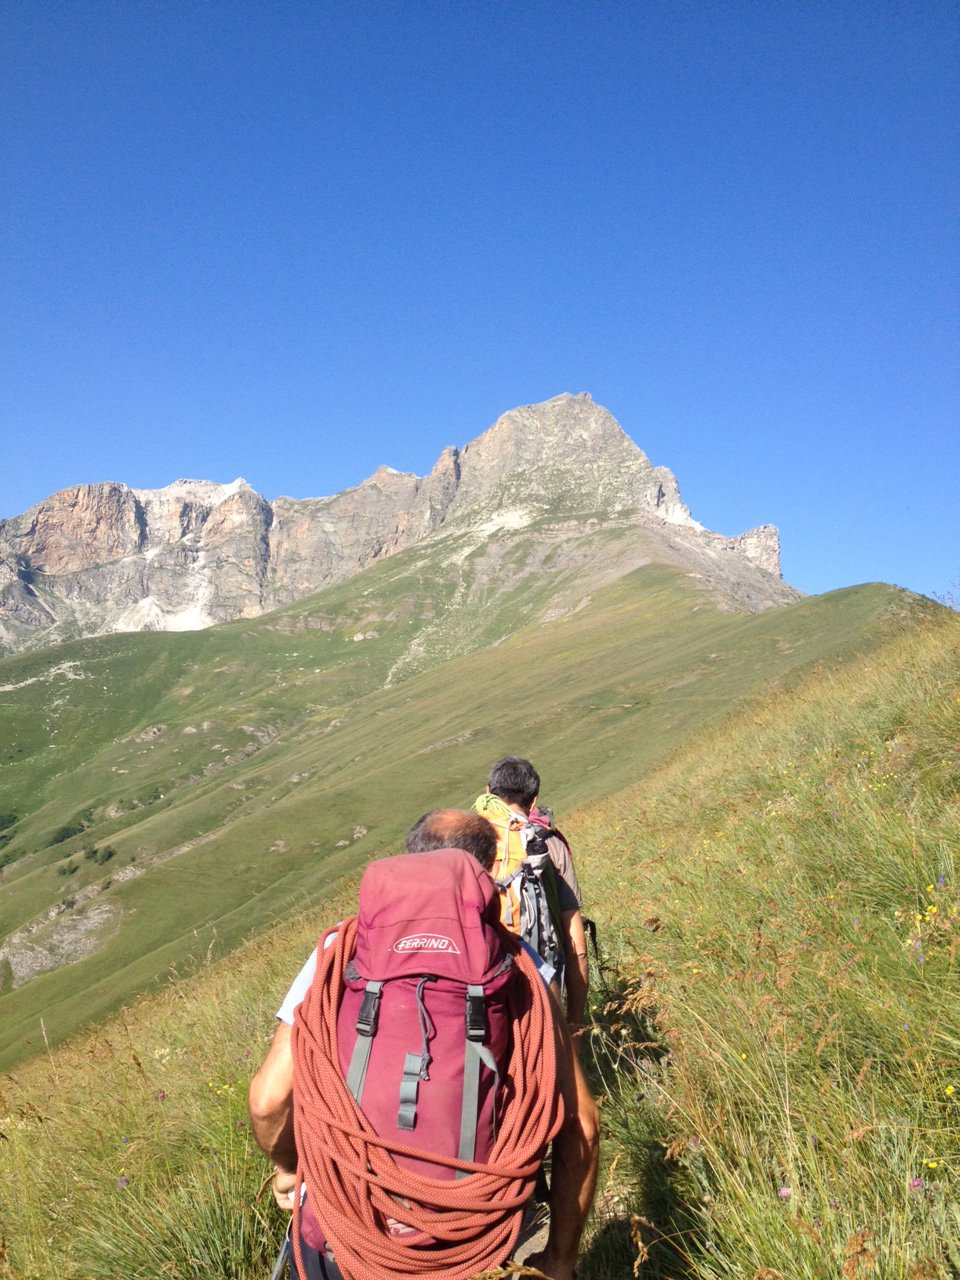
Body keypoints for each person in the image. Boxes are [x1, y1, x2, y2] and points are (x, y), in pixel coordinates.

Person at [248, 809, 599, 1280]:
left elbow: (268, 1101)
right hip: (463, 1251)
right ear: (488, 872)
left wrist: (290, 1168)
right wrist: (558, 1262)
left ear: (409, 858)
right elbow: (581, 1126)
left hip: (342, 1239)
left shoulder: (341, 952)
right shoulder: (519, 965)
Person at [473, 757, 589, 1031]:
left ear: (488, 792)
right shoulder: (549, 843)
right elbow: (577, 946)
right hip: (539, 979)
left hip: (479, 981)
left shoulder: (464, 841)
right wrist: (575, 1025)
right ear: (533, 801)